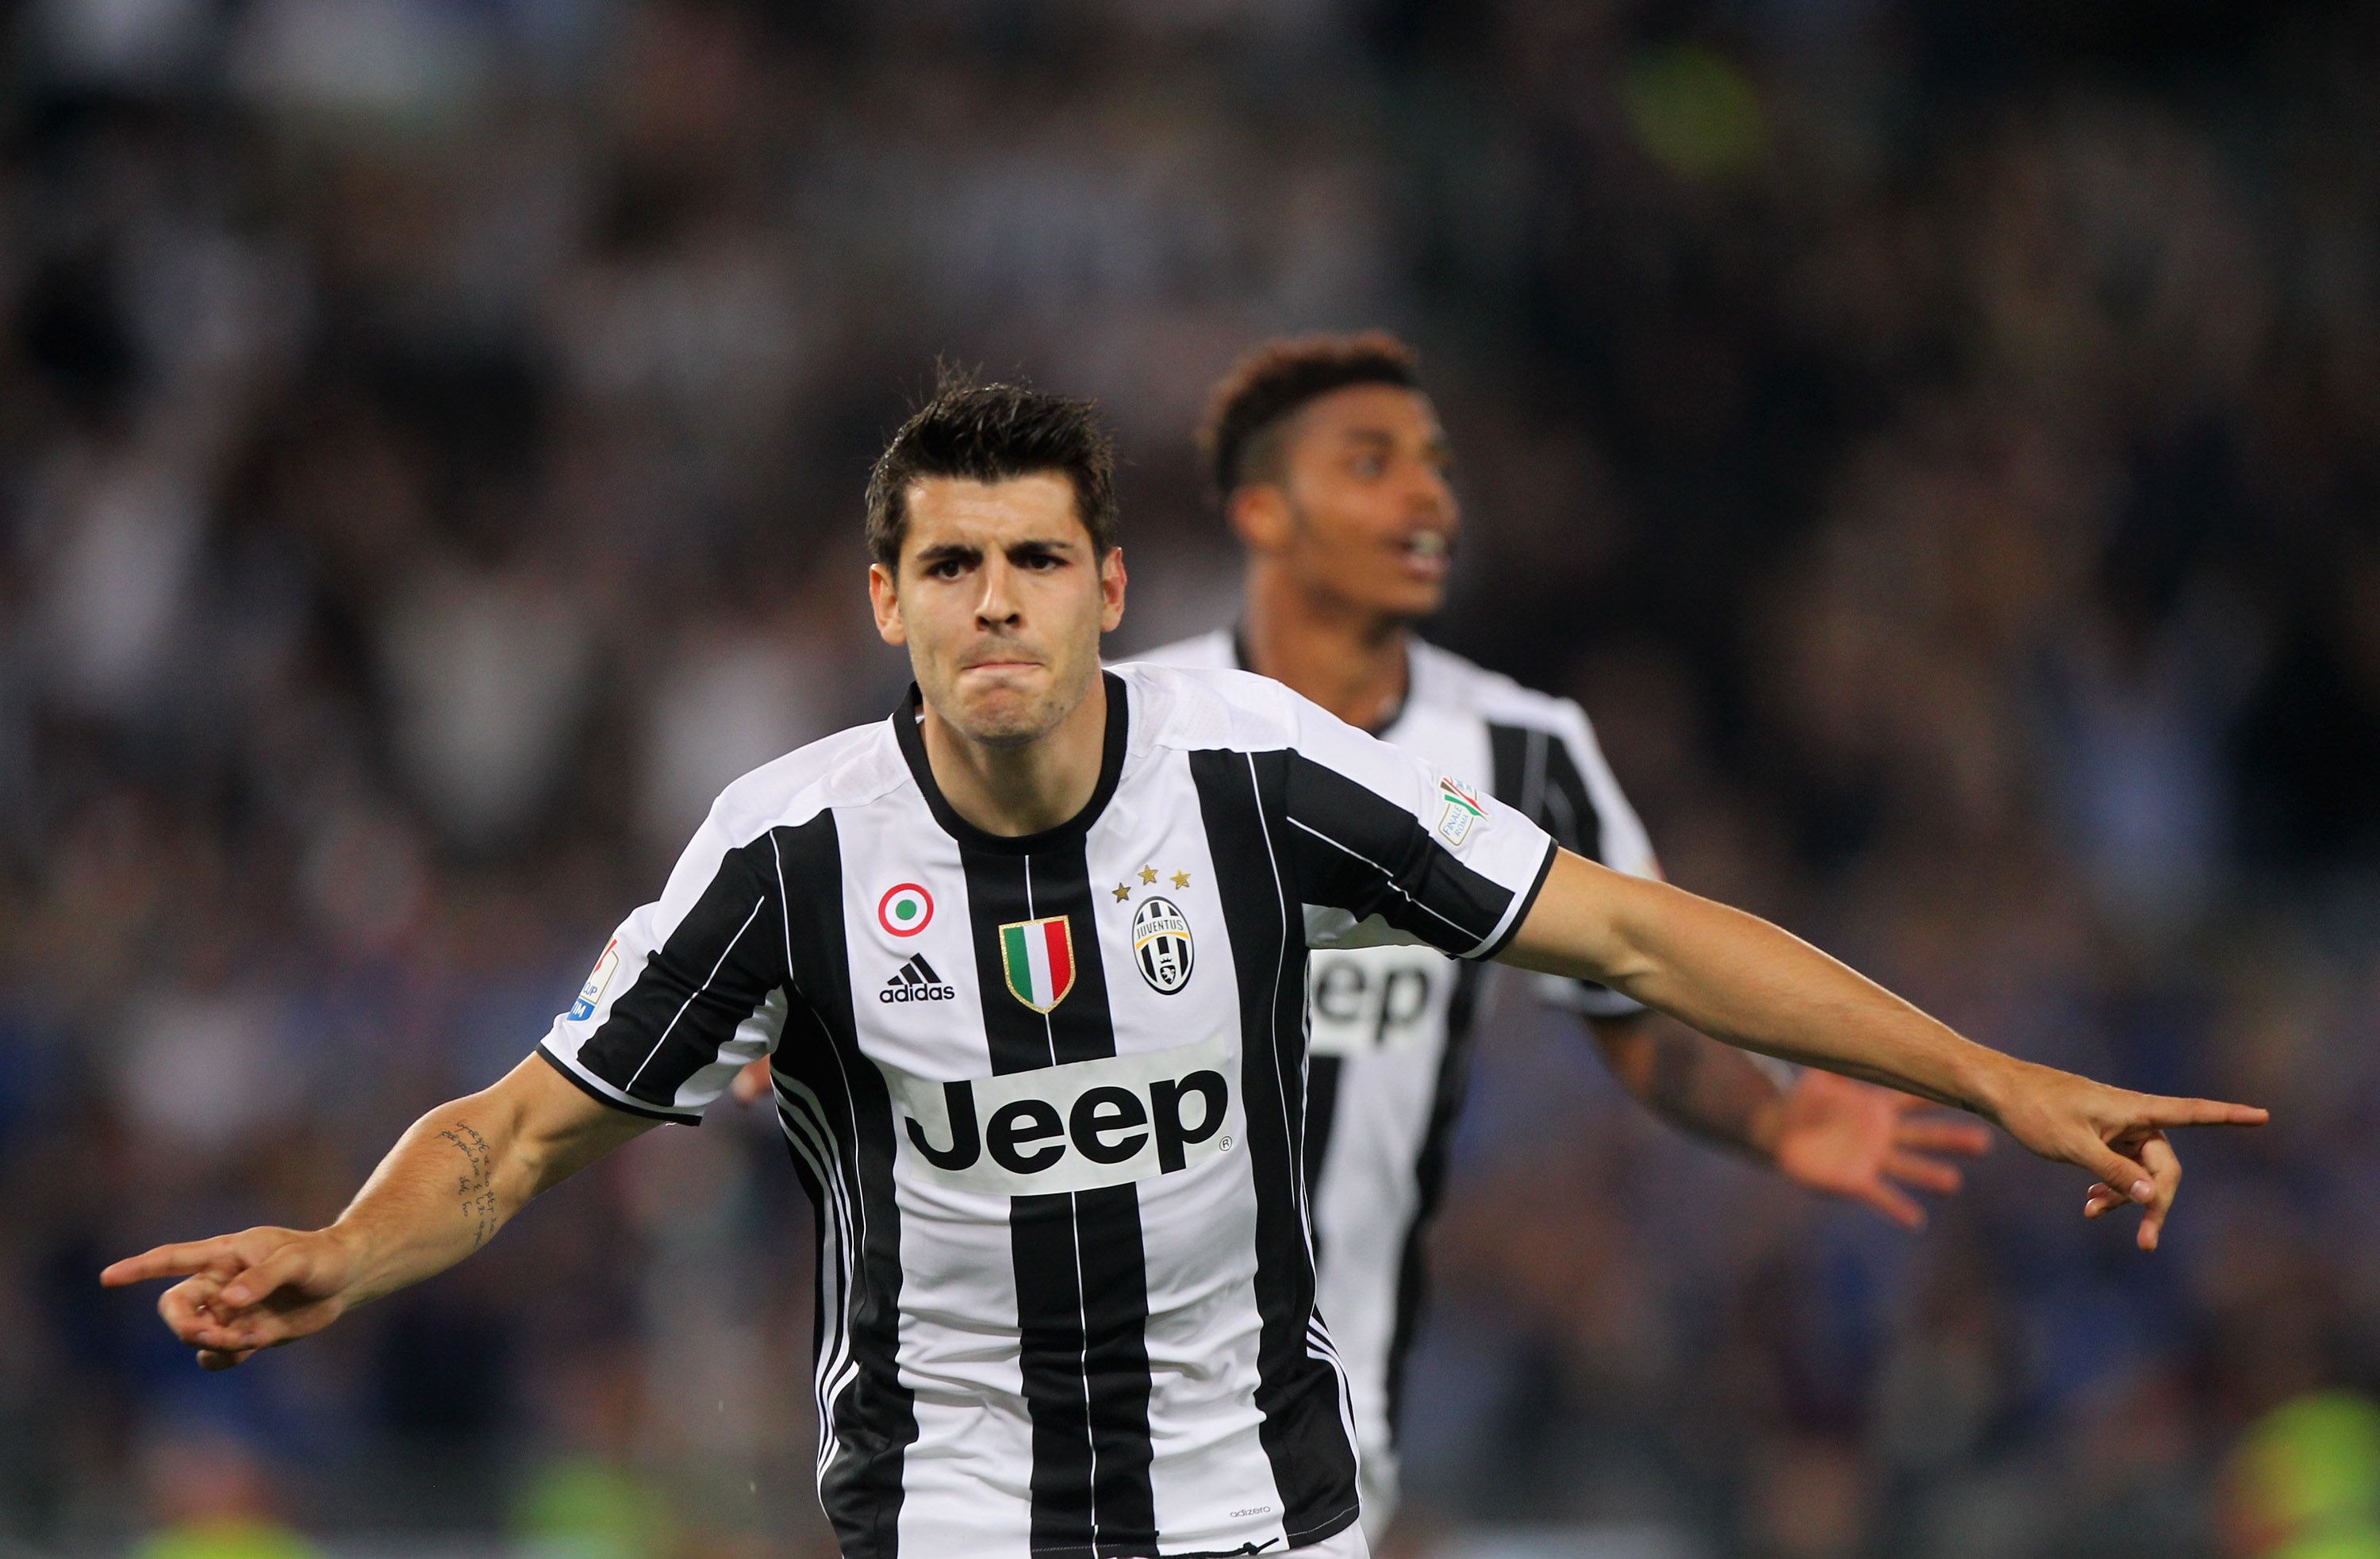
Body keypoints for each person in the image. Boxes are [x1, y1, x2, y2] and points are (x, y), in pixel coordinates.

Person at [104, 375, 2265, 1559]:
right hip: (953, 1511)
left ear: (1112, 581)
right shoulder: (786, 849)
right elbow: (512, 1132)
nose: (995, 602)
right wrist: (349, 1248)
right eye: (948, 565)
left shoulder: (1253, 771)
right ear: (887, 602)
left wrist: (1990, 1069)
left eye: (1037, 556)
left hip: (1267, 1507)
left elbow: (1625, 923)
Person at [1132, 331, 1995, 1537]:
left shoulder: (1526, 753)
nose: (1429, 494)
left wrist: (1770, 1113)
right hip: (1102, 1372)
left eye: (1436, 463)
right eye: (1372, 463)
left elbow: (1637, 1007)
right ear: (1264, 511)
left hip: (1336, 1410)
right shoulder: (1123, 731)